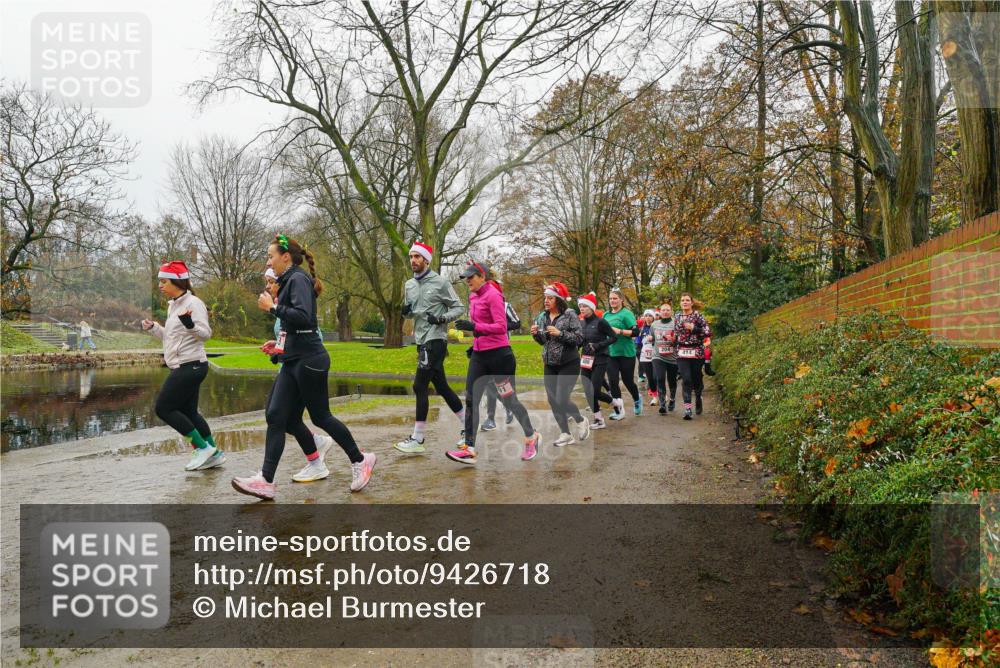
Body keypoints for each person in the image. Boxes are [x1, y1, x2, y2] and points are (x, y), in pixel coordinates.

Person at [232, 235, 376, 500]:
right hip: (292, 361)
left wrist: (273, 308)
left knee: (321, 417)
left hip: (310, 361)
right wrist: (278, 346)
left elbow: (304, 317)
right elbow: (295, 328)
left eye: (270, 256)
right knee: (276, 416)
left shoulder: (297, 279)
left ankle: (360, 460)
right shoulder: (288, 281)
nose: (268, 261)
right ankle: (266, 480)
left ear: (286, 257)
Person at [449, 260, 540, 464]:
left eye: (471, 277)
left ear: (482, 277)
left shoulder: (493, 295)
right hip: (480, 356)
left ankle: (531, 436)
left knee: (509, 399)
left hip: (500, 357)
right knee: (471, 398)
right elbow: (481, 327)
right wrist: (475, 343)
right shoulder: (473, 296)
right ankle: (469, 448)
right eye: (466, 278)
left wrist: (474, 327)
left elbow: (501, 326)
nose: (467, 281)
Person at [141, 261, 223, 471]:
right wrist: (154, 328)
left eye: (164, 281)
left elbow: (205, 334)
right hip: (185, 365)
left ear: (177, 281)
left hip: (191, 365)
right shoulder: (174, 304)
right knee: (190, 412)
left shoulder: (193, 303)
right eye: (160, 281)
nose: (160, 285)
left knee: (163, 408)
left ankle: (202, 448)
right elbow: (171, 337)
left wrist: (190, 325)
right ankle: (214, 452)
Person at [260, 268, 335, 482]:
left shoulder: (290, 308)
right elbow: (288, 338)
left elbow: (313, 336)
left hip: (302, 370)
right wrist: (277, 349)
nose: (267, 286)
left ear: (282, 285)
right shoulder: (283, 309)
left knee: (283, 418)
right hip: (289, 368)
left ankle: (321, 458)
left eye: (270, 282)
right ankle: (316, 454)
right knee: (283, 419)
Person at [395, 241, 468, 454]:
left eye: (418, 257)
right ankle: (468, 425)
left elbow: (459, 307)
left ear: (426, 260)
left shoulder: (440, 282)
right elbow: (411, 314)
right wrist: (405, 311)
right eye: (411, 257)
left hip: (435, 339)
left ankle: (417, 439)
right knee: (442, 386)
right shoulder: (409, 285)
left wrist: (441, 318)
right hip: (421, 340)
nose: (413, 261)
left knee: (419, 386)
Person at [530, 282, 589, 446]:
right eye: (545, 298)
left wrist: (560, 333)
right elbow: (544, 341)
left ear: (558, 299)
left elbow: (579, 338)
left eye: (550, 298)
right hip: (550, 363)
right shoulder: (543, 317)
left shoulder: (570, 314)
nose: (546, 301)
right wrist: (536, 335)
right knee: (553, 399)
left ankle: (580, 420)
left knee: (561, 398)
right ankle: (565, 433)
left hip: (568, 362)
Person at [577, 292, 616, 429]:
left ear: (591, 308)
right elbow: (581, 340)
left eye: (585, 306)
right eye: (580, 306)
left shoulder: (601, 322)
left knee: (594, 391)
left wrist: (598, 346)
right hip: (586, 360)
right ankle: (599, 420)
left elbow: (613, 337)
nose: (582, 309)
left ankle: (614, 402)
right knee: (588, 391)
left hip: (600, 359)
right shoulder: (581, 323)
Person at [603, 288, 642, 420]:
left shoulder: (627, 314)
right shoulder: (606, 315)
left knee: (628, 381)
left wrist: (618, 331)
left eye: (615, 298)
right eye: (610, 298)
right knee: (613, 381)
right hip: (611, 353)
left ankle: (637, 399)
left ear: (621, 300)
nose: (612, 301)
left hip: (626, 353)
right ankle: (619, 410)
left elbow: (636, 332)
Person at [674, 293, 712, 420]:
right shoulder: (677, 316)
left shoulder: (698, 316)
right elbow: (675, 333)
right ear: (680, 303)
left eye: (687, 300)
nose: (684, 302)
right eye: (682, 300)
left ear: (691, 302)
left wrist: (694, 328)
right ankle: (687, 409)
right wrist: (670, 338)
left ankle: (698, 396)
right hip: (682, 352)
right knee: (686, 379)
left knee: (696, 379)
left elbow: (708, 332)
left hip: (696, 352)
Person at [650, 301, 679, 415]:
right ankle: (662, 404)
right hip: (658, 356)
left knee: (672, 380)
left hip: (672, 357)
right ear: (660, 312)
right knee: (660, 378)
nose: (665, 312)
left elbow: (680, 339)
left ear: (671, 312)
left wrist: (674, 340)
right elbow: (652, 338)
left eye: (667, 310)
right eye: (663, 310)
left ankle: (672, 399)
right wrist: (650, 338)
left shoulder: (675, 323)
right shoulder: (654, 324)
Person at [637, 309, 657, 405]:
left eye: (650, 315)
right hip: (645, 355)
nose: (648, 317)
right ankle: (655, 396)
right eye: (646, 315)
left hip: (656, 354)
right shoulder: (642, 329)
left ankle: (661, 393)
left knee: (656, 376)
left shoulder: (657, 327)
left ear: (653, 317)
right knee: (649, 377)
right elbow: (638, 342)